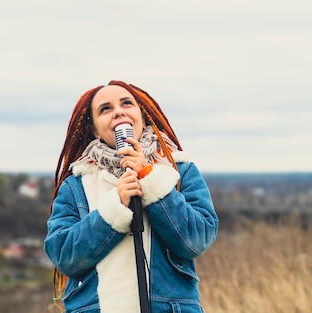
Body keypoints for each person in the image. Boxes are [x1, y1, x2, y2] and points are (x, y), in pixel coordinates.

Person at [44, 80, 219, 313]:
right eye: (105, 109)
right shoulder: (75, 185)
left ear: (142, 116)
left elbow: (197, 239)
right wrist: (115, 208)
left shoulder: (179, 171)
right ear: (95, 129)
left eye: (127, 103)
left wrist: (149, 179)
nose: (118, 112)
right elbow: (63, 254)